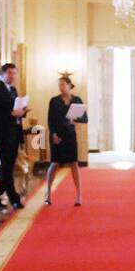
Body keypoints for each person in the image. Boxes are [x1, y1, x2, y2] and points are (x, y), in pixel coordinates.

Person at [0, 62, 27, 210]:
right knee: (7, 167)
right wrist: (10, 113)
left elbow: (15, 109)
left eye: (14, 73)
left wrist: (22, 111)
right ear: (2, 74)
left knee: (8, 167)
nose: (12, 75)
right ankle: (14, 198)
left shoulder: (13, 90)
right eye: (9, 72)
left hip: (14, 132)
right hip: (3, 134)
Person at [44, 76, 87, 206]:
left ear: (69, 85)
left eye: (63, 84)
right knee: (54, 164)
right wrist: (54, 135)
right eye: (59, 85)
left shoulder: (77, 100)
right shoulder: (54, 101)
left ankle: (79, 195)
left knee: (74, 164)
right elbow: (50, 120)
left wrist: (75, 120)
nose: (61, 87)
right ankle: (48, 193)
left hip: (70, 136)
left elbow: (85, 119)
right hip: (57, 136)